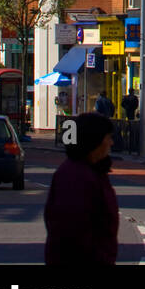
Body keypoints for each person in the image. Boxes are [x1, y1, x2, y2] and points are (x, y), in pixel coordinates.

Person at [44, 113, 119, 265]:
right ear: (95, 140)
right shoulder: (76, 176)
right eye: (108, 137)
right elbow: (72, 230)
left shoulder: (95, 170)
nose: (111, 143)